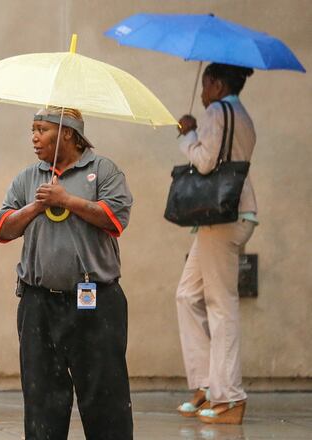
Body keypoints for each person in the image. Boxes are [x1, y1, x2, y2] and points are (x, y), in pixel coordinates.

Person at [0, 107, 134, 440]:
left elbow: (115, 220)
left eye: (42, 129)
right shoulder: (28, 177)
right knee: (42, 400)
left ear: (68, 133)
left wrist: (68, 200)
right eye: (32, 129)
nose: (34, 137)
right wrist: (36, 206)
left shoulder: (103, 170)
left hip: (95, 302)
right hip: (38, 304)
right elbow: (4, 229)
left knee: (104, 400)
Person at [174, 63, 257, 425]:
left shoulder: (216, 112)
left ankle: (230, 397)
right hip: (233, 216)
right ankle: (208, 384)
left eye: (207, 83)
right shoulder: (242, 115)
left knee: (221, 307)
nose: (204, 89)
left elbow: (206, 162)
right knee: (187, 296)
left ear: (218, 84)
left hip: (221, 218)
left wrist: (188, 135)